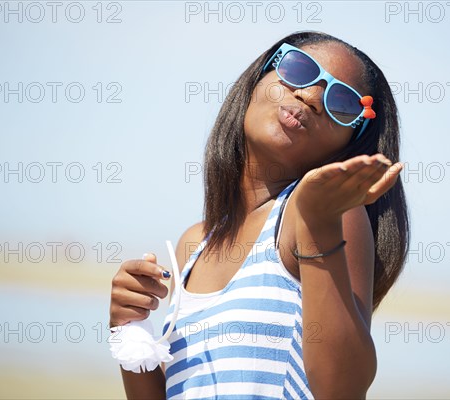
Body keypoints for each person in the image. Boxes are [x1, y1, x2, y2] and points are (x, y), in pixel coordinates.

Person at [109, 30, 410, 399]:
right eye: (299, 70)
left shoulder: (330, 216)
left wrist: (319, 223)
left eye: (342, 102)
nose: (310, 96)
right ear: (258, 78)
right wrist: (129, 330)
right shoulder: (196, 242)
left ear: (353, 138)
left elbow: (342, 391)